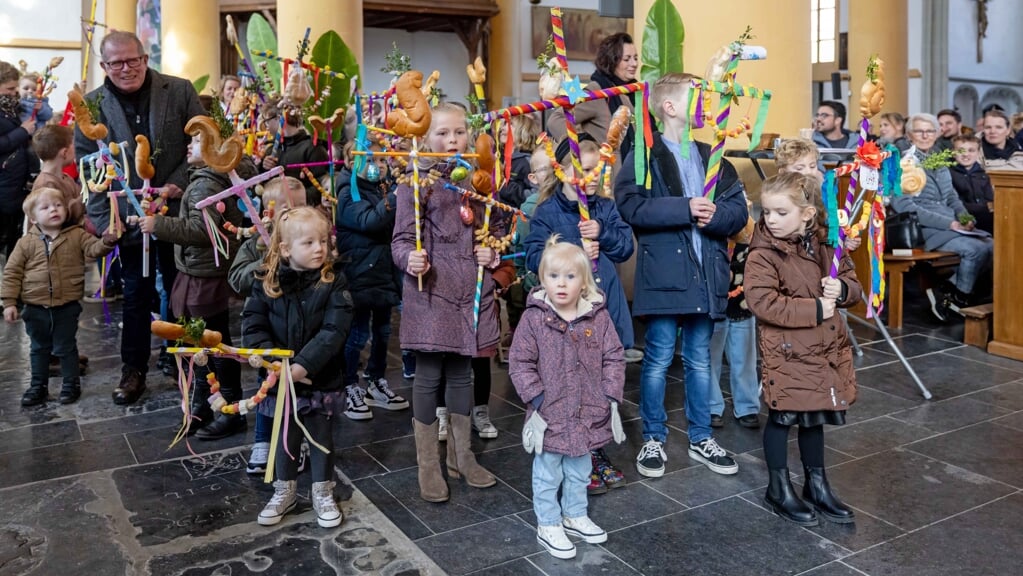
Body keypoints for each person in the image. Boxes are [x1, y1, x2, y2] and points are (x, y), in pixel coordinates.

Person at [615, 72, 749, 478]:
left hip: (706, 274)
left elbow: (738, 209)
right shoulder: (645, 154)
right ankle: (654, 438)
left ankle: (701, 436)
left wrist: (715, 216)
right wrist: (685, 208)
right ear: (670, 107)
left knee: (700, 361)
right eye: (697, 98)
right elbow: (630, 206)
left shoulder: (713, 155)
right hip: (665, 275)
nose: (705, 106)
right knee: (656, 360)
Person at [75, 31, 206, 405]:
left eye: (133, 60)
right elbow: (89, 173)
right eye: (116, 62)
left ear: (145, 58)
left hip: (178, 212)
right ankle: (133, 370)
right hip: (129, 221)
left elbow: (201, 143)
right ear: (104, 66)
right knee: (136, 295)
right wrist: (106, 224)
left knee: (185, 291)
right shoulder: (92, 106)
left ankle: (186, 360)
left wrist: (180, 183)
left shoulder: (178, 90)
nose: (126, 68)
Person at [392, 102, 499, 503]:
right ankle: (428, 464)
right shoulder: (412, 181)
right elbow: (401, 240)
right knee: (428, 376)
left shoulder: (478, 179)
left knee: (462, 375)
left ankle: (461, 455)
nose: (451, 139)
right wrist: (410, 258)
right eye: (442, 133)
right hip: (429, 288)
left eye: (458, 132)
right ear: (423, 137)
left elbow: (492, 232)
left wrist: (491, 253)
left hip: (467, 291)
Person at [744, 171, 861, 527]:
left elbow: (853, 284)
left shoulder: (827, 244)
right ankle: (778, 487)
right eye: (767, 212)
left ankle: (817, 483)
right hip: (788, 349)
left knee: (815, 416)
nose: (772, 220)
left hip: (823, 348)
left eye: (781, 212)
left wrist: (840, 290)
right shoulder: (763, 254)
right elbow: (762, 303)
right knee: (784, 416)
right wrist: (815, 309)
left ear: (807, 214)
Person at [526, 135, 633, 492]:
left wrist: (602, 234)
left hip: (603, 308)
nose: (586, 177)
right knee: (570, 383)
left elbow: (625, 247)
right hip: (565, 316)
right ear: (561, 171)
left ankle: (594, 453)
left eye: (593, 170)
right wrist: (571, 249)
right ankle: (569, 454)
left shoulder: (603, 207)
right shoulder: (547, 212)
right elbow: (533, 258)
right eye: (579, 170)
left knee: (597, 384)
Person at [508, 236, 625, 560]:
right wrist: (538, 397)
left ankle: (574, 514)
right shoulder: (534, 319)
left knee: (579, 469)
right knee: (548, 471)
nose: (561, 284)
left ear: (583, 282)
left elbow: (614, 356)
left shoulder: (596, 317)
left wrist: (608, 394)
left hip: (588, 411)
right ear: (542, 279)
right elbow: (520, 362)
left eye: (570, 277)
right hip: (551, 413)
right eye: (553, 276)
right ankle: (548, 522)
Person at [139, 131, 257, 440]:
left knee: (214, 342)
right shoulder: (206, 177)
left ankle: (230, 409)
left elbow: (203, 231)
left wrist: (159, 225)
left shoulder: (206, 183)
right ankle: (207, 401)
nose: (188, 144)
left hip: (205, 274)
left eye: (195, 141)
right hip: (197, 271)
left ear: (211, 149)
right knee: (200, 340)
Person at [242, 206, 352, 528]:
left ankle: (322, 491)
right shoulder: (266, 281)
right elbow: (253, 323)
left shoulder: (334, 281)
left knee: (320, 438)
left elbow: (335, 331)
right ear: (286, 249)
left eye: (323, 241)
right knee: (284, 438)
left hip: (320, 378)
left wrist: (304, 366)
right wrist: (269, 359)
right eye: (309, 243)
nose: (320, 248)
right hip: (277, 377)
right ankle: (285, 490)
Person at [2, 188, 116, 406]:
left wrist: (106, 242)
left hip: (66, 306)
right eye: (45, 207)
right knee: (38, 348)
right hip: (35, 307)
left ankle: (70, 384)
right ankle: (38, 386)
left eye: (58, 205)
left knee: (66, 347)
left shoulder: (76, 235)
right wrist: (9, 302)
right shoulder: (25, 243)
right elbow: (12, 272)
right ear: (33, 218)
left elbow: (93, 249)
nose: (53, 209)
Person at [228, 175, 307, 475]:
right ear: (267, 211)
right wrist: (266, 263)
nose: (295, 213)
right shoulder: (256, 243)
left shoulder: (309, 239)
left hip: (300, 326)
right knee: (267, 384)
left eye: (301, 206)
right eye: (286, 208)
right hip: (268, 326)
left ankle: (294, 442)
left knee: (298, 388)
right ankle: (262, 439)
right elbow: (237, 279)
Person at [894, 113, 993, 321]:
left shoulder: (938, 160)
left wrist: (965, 218)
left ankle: (945, 293)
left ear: (937, 134)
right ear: (909, 135)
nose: (925, 135)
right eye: (919, 131)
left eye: (930, 131)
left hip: (950, 225)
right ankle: (957, 301)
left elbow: (951, 197)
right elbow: (904, 206)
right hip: (925, 228)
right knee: (974, 250)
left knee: (993, 246)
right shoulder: (903, 163)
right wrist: (950, 223)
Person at [336, 141, 408, 420]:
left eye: (380, 160)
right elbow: (367, 221)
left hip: (383, 272)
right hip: (360, 274)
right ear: (349, 162)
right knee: (357, 335)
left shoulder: (382, 188)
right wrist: (395, 197)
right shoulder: (348, 191)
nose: (377, 166)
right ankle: (350, 384)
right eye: (368, 160)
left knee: (384, 332)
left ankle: (376, 380)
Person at [0, 60, 39, 261]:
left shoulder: (13, 108)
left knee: (15, 233)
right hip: (3, 181)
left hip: (17, 180)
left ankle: (10, 282)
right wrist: (23, 131)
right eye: (10, 88)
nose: (15, 92)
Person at [259, 100, 329, 206]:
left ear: (279, 118)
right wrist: (264, 168)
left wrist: (297, 201)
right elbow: (262, 184)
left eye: (267, 121)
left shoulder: (312, 148)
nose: (266, 126)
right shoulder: (271, 148)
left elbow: (322, 184)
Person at [31, 125, 84, 225]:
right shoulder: (45, 184)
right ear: (64, 152)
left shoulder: (66, 178)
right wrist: (88, 195)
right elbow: (61, 216)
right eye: (73, 146)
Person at [949, 134, 995, 235]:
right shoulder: (948, 174)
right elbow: (954, 202)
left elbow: (990, 200)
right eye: (960, 151)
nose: (966, 154)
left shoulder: (984, 174)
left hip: (986, 219)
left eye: (971, 150)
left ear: (978, 153)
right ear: (953, 153)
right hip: (962, 217)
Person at [497, 114, 541, 209]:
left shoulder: (527, 162)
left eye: (510, 124)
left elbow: (536, 195)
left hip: (517, 218)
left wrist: (507, 188)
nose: (502, 128)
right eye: (504, 124)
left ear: (523, 131)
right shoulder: (499, 157)